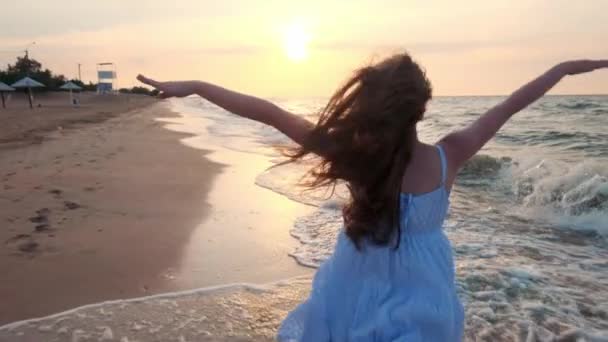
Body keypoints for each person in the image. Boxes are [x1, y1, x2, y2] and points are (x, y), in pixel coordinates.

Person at [137, 56, 607, 341]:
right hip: (423, 298)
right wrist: (562, 69)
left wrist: (196, 86)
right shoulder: (451, 155)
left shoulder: (351, 154)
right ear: (421, 108)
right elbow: (510, 105)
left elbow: (268, 112)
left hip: (352, 284)